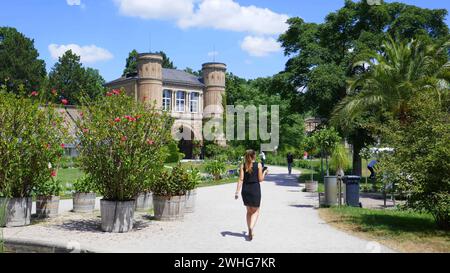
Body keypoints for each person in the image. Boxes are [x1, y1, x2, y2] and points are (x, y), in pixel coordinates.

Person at [235, 150, 268, 241]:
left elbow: (241, 179)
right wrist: (265, 172)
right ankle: (251, 227)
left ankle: (249, 228)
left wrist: (237, 192)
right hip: (255, 189)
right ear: (254, 156)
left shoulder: (243, 165)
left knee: (249, 211)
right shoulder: (258, 165)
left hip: (245, 190)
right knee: (256, 211)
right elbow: (260, 179)